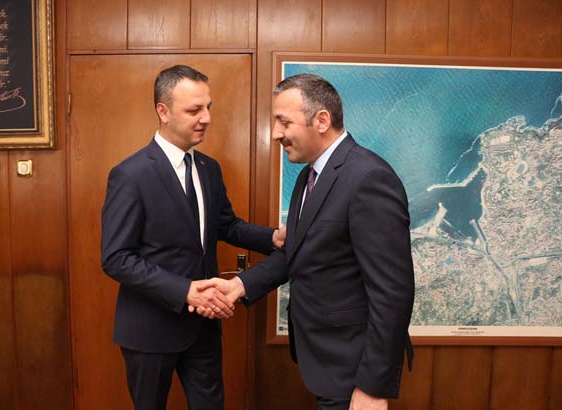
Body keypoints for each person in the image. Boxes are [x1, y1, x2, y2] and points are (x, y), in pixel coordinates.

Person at [197, 74, 415, 410]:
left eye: (284, 122)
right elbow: (297, 253)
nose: (275, 133)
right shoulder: (307, 177)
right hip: (325, 361)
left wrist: (372, 387)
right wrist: (238, 286)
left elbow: (393, 291)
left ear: (322, 120)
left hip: (354, 369)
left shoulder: (369, 177)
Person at [101, 64, 285, 410]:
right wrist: (184, 290)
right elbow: (116, 258)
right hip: (149, 330)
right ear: (163, 111)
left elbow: (226, 226)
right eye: (194, 110)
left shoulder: (208, 168)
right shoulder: (130, 175)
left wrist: (273, 237)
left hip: (203, 329)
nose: (206, 118)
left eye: (208, 108)